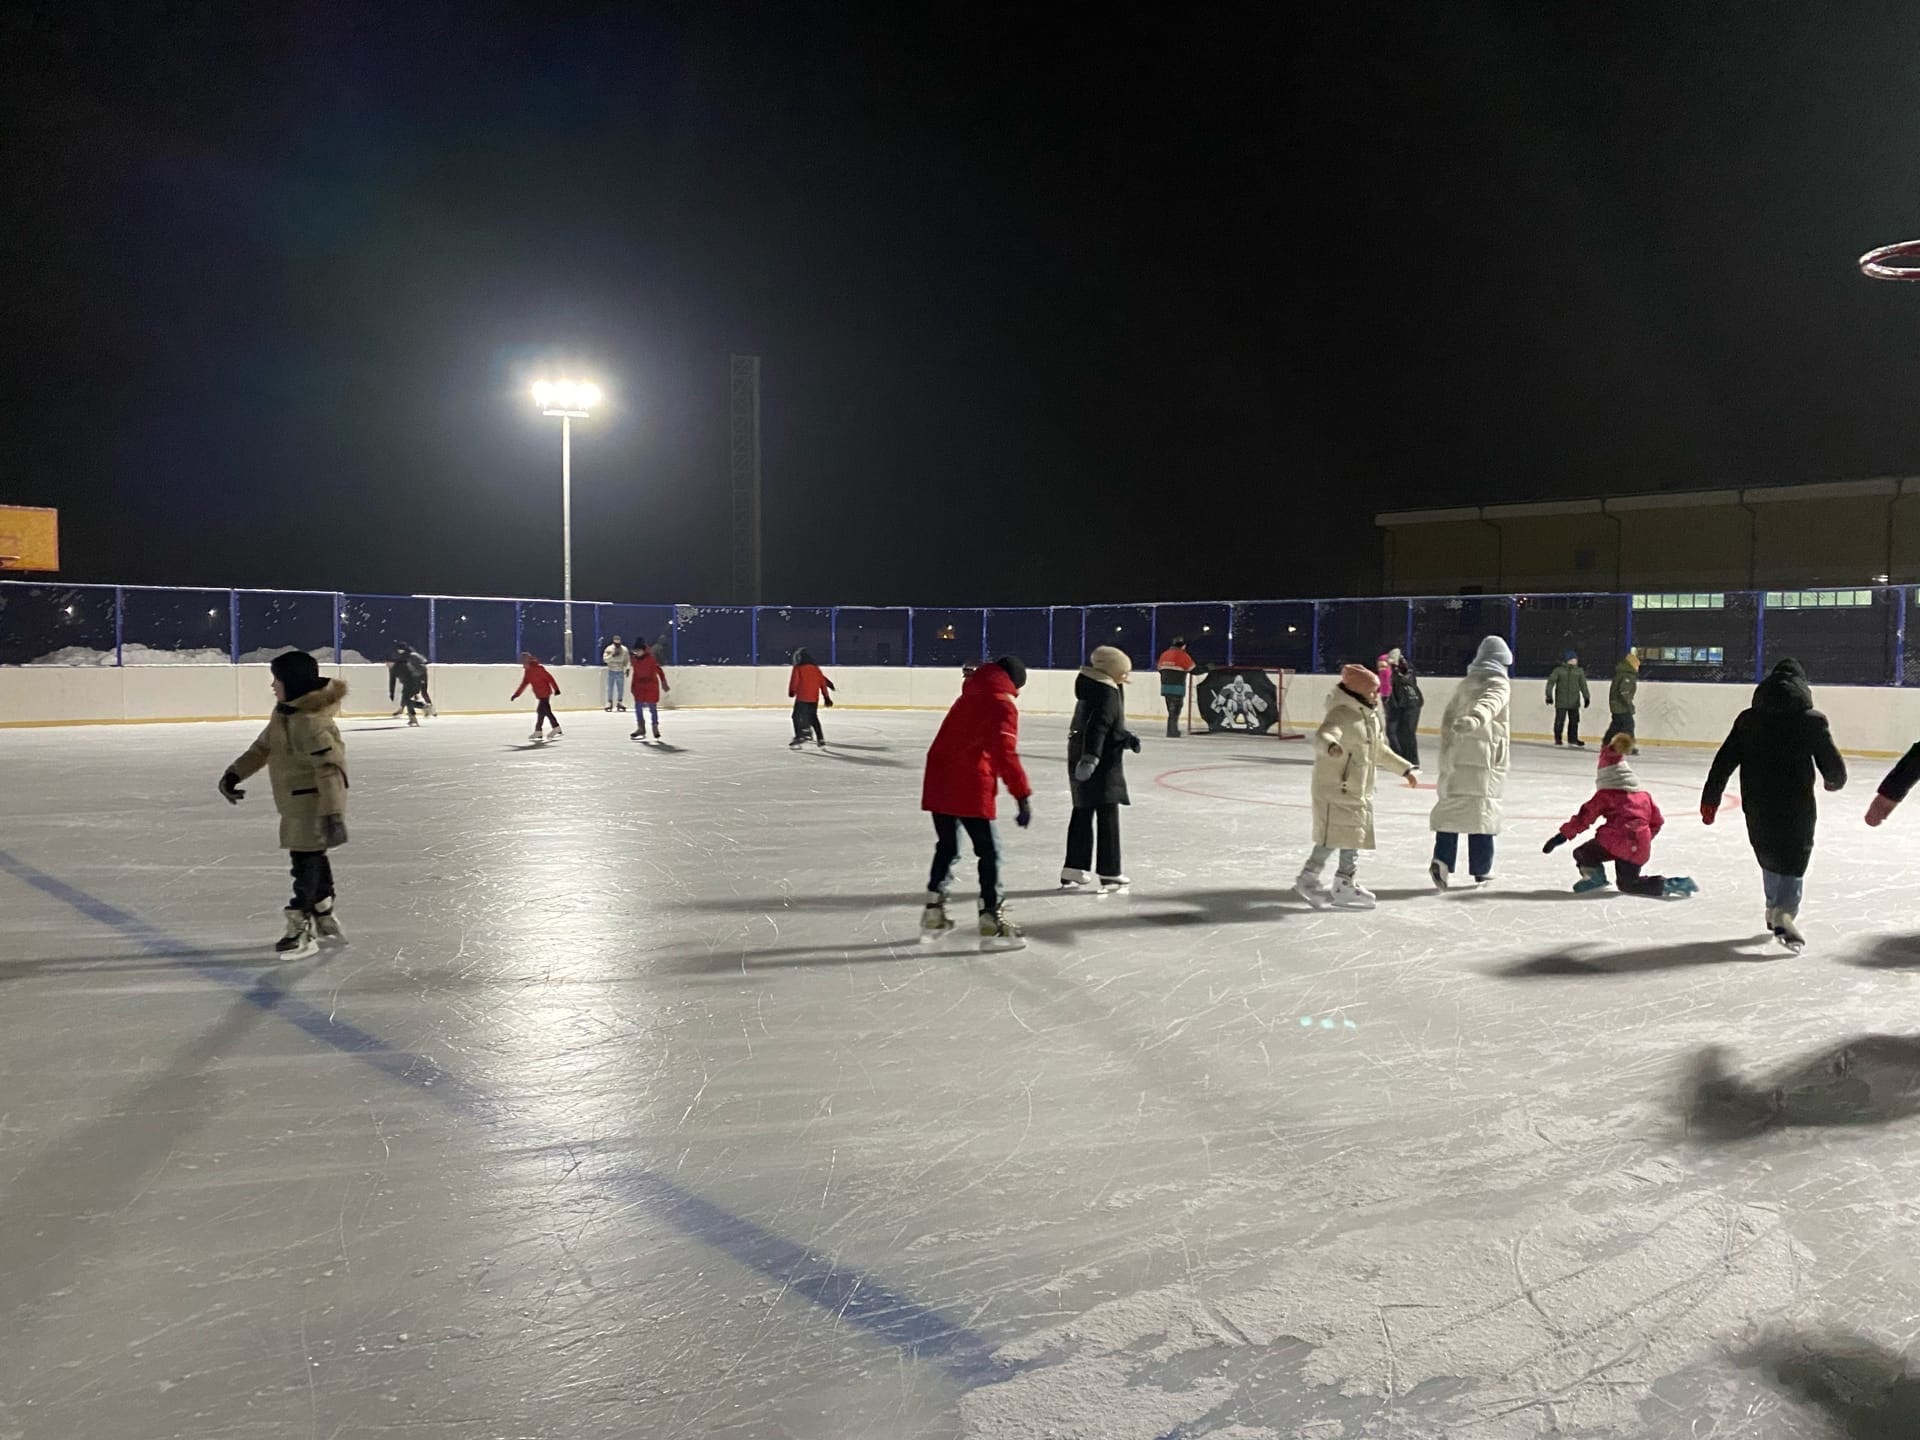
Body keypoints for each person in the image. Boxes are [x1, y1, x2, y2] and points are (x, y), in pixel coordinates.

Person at [1701, 657, 1846, 951]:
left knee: (1767, 850)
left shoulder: (1748, 720)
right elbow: (1830, 762)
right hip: (1796, 801)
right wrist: (1834, 780)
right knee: (1796, 853)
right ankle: (1785, 911)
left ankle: (1773, 908)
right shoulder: (1811, 720)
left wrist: (1711, 798)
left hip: (1757, 800)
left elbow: (1724, 760)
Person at [217, 650, 350, 958]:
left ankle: (300, 922)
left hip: (313, 807)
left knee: (304, 862)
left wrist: (333, 814)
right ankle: (322, 907)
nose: (273, 686)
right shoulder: (285, 713)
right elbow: (263, 747)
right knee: (309, 858)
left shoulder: (312, 723)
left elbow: (332, 771)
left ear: (293, 681)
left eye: (276, 679)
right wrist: (235, 773)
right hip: (293, 805)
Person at [920, 656, 1033, 948]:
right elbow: (1004, 754)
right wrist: (1021, 795)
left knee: (947, 846)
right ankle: (991, 916)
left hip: (939, 779)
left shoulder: (968, 695)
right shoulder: (1001, 704)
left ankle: (934, 909)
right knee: (989, 852)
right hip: (970, 783)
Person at [1296, 663, 1417, 909]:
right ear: (1358, 691)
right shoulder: (1342, 713)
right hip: (1336, 787)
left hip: (1356, 788)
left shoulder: (1368, 715)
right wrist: (1331, 746)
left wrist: (1405, 769)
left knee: (1351, 835)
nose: (1377, 695)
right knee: (1334, 837)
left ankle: (1343, 882)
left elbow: (1379, 751)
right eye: (1372, 691)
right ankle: (1310, 878)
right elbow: (1324, 734)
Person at [1543, 738, 1697, 898]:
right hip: (1638, 848)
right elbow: (1657, 822)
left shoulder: (1605, 795)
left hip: (1613, 843)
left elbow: (1584, 818)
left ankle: (1596, 878)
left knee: (1583, 853)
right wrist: (1641, 839)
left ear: (1604, 774)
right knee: (1629, 884)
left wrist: (1560, 837)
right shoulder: (1643, 796)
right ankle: (1670, 884)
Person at [1428, 635, 1514, 888]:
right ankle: (1482, 868)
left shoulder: (1467, 683)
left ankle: (1442, 860)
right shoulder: (1499, 682)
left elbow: (1448, 716)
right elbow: (1490, 704)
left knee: (1453, 807)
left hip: (1458, 754)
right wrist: (1476, 719)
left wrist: (1449, 745)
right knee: (1482, 811)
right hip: (1485, 758)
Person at [1063, 646, 1139, 891]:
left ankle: (1074, 867)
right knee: (1107, 814)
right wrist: (1091, 758)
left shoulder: (1093, 685)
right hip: (1101, 762)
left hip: (1084, 754)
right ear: (1113, 670)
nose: (1125, 677)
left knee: (1083, 809)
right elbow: (1099, 725)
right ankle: (1109, 871)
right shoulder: (1106, 691)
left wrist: (1125, 737)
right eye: (1123, 672)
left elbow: (1106, 723)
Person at [788, 647, 835, 749]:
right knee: (813, 717)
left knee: (796, 716)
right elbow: (822, 682)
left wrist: (792, 691)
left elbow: (794, 681)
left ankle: (800, 736)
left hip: (802, 697)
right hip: (814, 698)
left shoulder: (798, 668)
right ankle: (820, 738)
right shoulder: (815, 668)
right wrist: (826, 697)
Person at [511, 651, 563, 740]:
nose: (522, 663)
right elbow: (523, 684)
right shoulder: (527, 672)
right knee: (543, 712)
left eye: (523, 661)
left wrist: (556, 689)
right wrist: (516, 694)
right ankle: (543, 730)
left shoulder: (538, 668)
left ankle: (552, 728)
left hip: (545, 693)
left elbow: (550, 678)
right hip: (540, 694)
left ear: (528, 661)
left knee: (543, 711)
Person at [1545, 650, 1591, 747]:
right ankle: (1558, 738)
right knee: (1559, 721)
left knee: (1574, 721)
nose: (1575, 661)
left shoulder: (1579, 671)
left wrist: (1586, 697)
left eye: (1575, 659)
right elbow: (1551, 683)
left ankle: (1572, 739)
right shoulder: (1559, 671)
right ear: (1567, 660)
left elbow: (1583, 685)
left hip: (1574, 702)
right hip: (1561, 701)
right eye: (1573, 659)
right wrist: (1549, 695)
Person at [1385, 651, 1423, 767]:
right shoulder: (1394, 671)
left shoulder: (1406, 669)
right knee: (1400, 732)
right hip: (1403, 704)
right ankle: (1403, 758)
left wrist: (1395, 668)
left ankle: (1413, 760)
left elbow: (1405, 679)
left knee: (1408, 732)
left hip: (1412, 704)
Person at [628, 636, 669, 740]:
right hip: (639, 687)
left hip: (650, 686)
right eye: (635, 651)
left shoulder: (651, 659)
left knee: (652, 708)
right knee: (638, 708)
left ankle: (655, 727)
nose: (636, 653)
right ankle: (641, 728)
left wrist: (663, 682)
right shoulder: (634, 660)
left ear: (643, 650)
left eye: (638, 651)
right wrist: (633, 687)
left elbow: (659, 670)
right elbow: (635, 674)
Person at [1156, 637, 1198, 737]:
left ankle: (1171, 730)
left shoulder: (1164, 654)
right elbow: (1193, 669)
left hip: (1165, 687)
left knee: (1170, 710)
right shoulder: (1183, 655)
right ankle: (1172, 731)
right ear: (1183, 646)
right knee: (1175, 711)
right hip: (1177, 687)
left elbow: (1159, 668)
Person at [1603, 650, 1641, 748]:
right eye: (1637, 665)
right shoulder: (1627, 676)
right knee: (1628, 726)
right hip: (1621, 707)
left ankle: (1606, 742)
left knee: (1616, 726)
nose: (1638, 668)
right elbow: (1624, 692)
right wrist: (1630, 706)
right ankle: (1628, 747)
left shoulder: (1621, 674)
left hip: (1616, 706)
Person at [388, 642, 430, 726]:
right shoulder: (400, 663)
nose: (387, 665)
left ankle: (423, 706)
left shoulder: (405, 661)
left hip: (413, 683)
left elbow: (413, 673)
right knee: (407, 700)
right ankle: (413, 718)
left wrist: (421, 681)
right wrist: (391, 693)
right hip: (411, 683)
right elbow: (392, 681)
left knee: (407, 700)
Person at [602, 634, 631, 712]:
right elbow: (605, 659)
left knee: (620, 688)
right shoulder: (609, 649)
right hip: (611, 670)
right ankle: (609, 702)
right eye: (616, 644)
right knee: (610, 687)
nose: (617, 645)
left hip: (620, 670)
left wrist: (628, 668)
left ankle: (620, 701)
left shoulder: (624, 650)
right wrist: (612, 656)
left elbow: (627, 660)